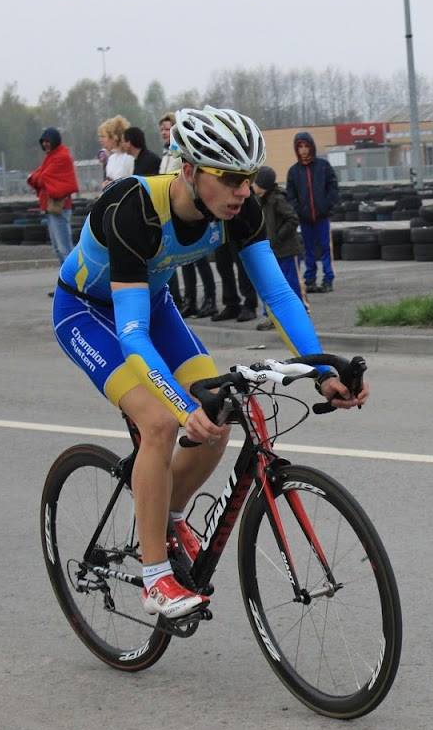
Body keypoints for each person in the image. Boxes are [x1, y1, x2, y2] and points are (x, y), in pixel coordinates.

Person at [51, 105, 368, 619]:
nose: (244, 191)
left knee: (219, 413)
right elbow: (131, 334)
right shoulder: (135, 208)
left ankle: (170, 516)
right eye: (230, 179)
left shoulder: (240, 210)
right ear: (191, 171)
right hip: (88, 313)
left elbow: (278, 296)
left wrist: (322, 372)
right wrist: (179, 406)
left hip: (152, 306)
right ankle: (155, 578)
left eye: (248, 177)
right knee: (159, 423)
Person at [159, 112, 217, 319]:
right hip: (174, 211)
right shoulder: (166, 154)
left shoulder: (183, 153)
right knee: (184, 263)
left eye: (168, 129)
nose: (164, 133)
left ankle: (210, 299)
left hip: (192, 209)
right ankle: (190, 300)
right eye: (162, 130)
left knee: (200, 259)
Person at [250, 165, 306, 330]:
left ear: (263, 184)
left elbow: (292, 219)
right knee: (271, 286)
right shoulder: (259, 200)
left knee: (292, 284)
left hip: (287, 251)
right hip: (272, 252)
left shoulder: (277, 199)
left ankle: (300, 315)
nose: (252, 185)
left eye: (255, 182)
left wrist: (278, 237)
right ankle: (273, 317)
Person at [285, 132, 339, 293]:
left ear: (311, 147)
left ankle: (328, 279)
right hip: (305, 218)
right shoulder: (294, 171)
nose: (303, 150)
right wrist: (299, 210)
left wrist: (327, 206)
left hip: (322, 217)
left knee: (325, 248)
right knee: (308, 250)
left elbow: (333, 187)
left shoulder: (323, 166)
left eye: (306, 146)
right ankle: (310, 279)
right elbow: (291, 195)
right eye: (300, 147)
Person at [27, 127, 79, 270]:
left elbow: (43, 177)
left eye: (48, 141)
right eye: (43, 142)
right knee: (57, 248)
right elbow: (40, 175)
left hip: (60, 207)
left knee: (64, 248)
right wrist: (37, 177)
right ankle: (65, 279)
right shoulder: (51, 156)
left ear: (55, 141)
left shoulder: (61, 156)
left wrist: (35, 177)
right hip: (50, 207)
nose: (45, 144)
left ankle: (74, 279)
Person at [98, 115, 134, 189]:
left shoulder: (129, 158)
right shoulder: (111, 158)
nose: (100, 140)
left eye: (103, 136)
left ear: (114, 137)